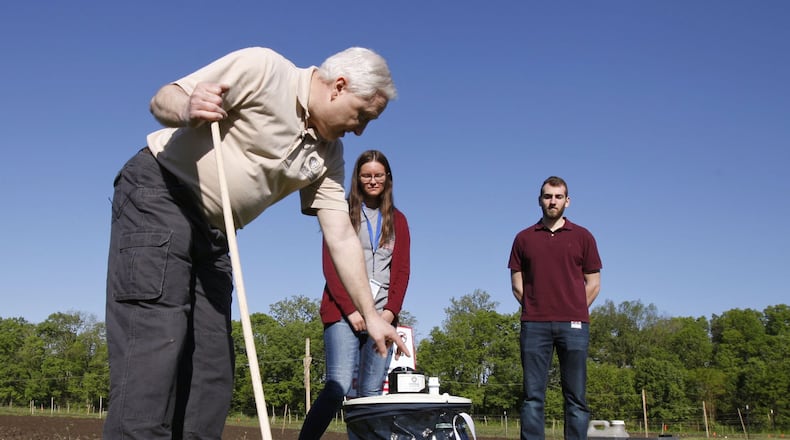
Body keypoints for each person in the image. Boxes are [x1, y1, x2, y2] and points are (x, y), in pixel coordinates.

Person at [103, 46, 409, 440]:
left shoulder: (329, 153)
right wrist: (189, 107)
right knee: (156, 342)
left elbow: (341, 236)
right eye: (362, 115)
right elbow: (164, 97)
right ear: (339, 86)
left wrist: (371, 316)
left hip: (215, 234)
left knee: (212, 368)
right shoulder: (264, 69)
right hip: (161, 196)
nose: (361, 129)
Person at [299, 150, 411, 440]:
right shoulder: (342, 211)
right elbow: (331, 264)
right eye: (366, 175)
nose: (372, 180)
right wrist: (351, 310)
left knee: (371, 394)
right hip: (343, 313)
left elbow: (401, 272)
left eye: (378, 175)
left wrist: (389, 313)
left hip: (383, 315)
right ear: (357, 179)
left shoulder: (398, 220)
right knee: (337, 386)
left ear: (388, 179)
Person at [507, 176, 602, 440]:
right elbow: (517, 283)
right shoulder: (523, 238)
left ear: (567, 201)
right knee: (532, 396)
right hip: (534, 325)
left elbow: (593, 283)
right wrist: (535, 307)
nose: (553, 201)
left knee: (576, 397)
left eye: (558, 197)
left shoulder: (583, 237)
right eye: (548, 196)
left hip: (574, 326)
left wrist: (574, 308)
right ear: (540, 200)